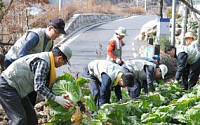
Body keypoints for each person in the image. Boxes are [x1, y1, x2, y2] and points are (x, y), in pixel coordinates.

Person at [0, 44, 72, 125]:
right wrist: (56, 99)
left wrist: (58, 97)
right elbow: (39, 86)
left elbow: (43, 85)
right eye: (65, 62)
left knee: (31, 118)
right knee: (19, 119)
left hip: (17, 89)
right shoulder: (44, 62)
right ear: (59, 58)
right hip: (7, 86)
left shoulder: (47, 59)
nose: (63, 65)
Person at [3, 18, 67, 106]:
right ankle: (16, 114)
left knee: (33, 89)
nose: (58, 35)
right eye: (56, 32)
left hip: (30, 67)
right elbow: (21, 55)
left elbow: (47, 60)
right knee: (16, 92)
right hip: (13, 63)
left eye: (59, 34)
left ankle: (29, 113)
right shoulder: (35, 36)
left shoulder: (50, 42)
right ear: (49, 28)